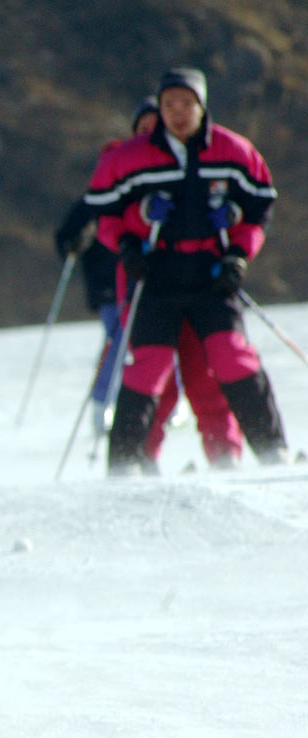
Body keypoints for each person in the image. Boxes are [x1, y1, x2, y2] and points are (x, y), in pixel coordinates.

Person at [86, 67, 288, 474]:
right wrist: (127, 243)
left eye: (186, 104)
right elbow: (103, 209)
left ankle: (271, 451)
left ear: (201, 105)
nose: (178, 113)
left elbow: (259, 205)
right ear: (159, 109)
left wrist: (238, 253)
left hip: (210, 272)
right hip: (157, 274)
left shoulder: (231, 151)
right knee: (150, 364)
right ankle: (125, 463)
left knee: (229, 356)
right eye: (168, 105)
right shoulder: (132, 157)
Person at [55, 96, 161, 435]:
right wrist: (74, 245)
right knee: (117, 339)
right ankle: (102, 405)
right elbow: (66, 234)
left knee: (156, 336)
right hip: (105, 281)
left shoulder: (142, 186)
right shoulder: (94, 197)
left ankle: (163, 402)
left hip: (141, 274)